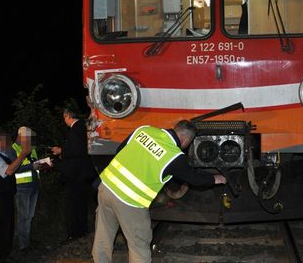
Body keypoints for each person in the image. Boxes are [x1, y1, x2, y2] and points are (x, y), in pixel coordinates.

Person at [91, 120, 227, 263]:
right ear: (186, 140)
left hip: (106, 187)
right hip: (129, 200)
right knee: (139, 246)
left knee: (103, 236)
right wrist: (216, 179)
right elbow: (195, 179)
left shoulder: (144, 130)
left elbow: (121, 149)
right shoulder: (174, 156)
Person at [51, 108, 97, 244]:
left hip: (75, 175)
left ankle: (74, 233)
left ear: (67, 116)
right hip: (82, 174)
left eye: (64, 117)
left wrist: (61, 150)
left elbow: (77, 150)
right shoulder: (83, 128)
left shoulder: (76, 129)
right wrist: (64, 153)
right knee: (80, 203)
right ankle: (82, 231)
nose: (64, 120)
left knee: (72, 204)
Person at [0, 130, 31, 263]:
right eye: (8, 142)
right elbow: (9, 170)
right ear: (0, 142)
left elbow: (14, 167)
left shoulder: (3, 155)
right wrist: (23, 154)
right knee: (2, 227)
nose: (10, 145)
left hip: (6, 196)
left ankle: (6, 254)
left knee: (9, 226)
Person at [13, 126, 51, 251]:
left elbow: (35, 165)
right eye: (27, 137)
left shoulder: (31, 149)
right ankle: (23, 246)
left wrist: (44, 165)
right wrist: (32, 167)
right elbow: (13, 169)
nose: (30, 140)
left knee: (29, 216)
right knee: (23, 217)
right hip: (21, 188)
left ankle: (27, 241)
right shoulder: (13, 149)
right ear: (20, 136)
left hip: (34, 186)